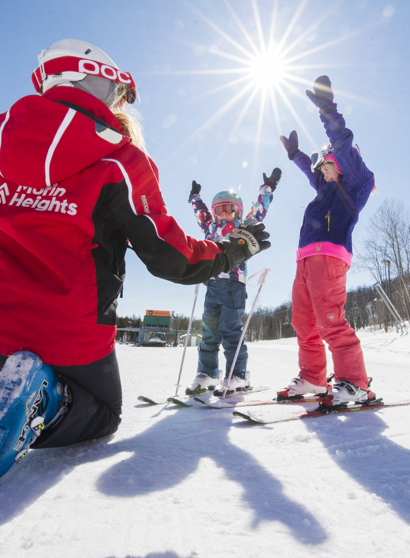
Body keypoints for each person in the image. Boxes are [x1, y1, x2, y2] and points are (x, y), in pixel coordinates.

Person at [0, 39, 270, 475]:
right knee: (104, 413)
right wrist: (237, 247)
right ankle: (43, 397)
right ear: (105, 87)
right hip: (69, 332)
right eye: (120, 95)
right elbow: (172, 258)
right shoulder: (120, 160)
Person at [278, 75, 375, 405]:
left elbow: (344, 148)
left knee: (330, 320)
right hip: (304, 260)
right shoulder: (324, 188)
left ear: (344, 163)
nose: (320, 168)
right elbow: (310, 170)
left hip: (329, 258)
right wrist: (295, 155)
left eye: (326, 162)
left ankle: (354, 382)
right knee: (303, 322)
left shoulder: (356, 185)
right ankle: (313, 379)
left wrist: (328, 112)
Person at [185, 169, 281, 396]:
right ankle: (207, 373)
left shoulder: (243, 226)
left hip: (234, 285)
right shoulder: (210, 227)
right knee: (209, 331)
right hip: (212, 285)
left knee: (230, 329)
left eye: (230, 209)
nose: (225, 214)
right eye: (221, 210)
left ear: (237, 211)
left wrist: (267, 189)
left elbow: (259, 212)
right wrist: (195, 198)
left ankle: (237, 375)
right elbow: (201, 213)